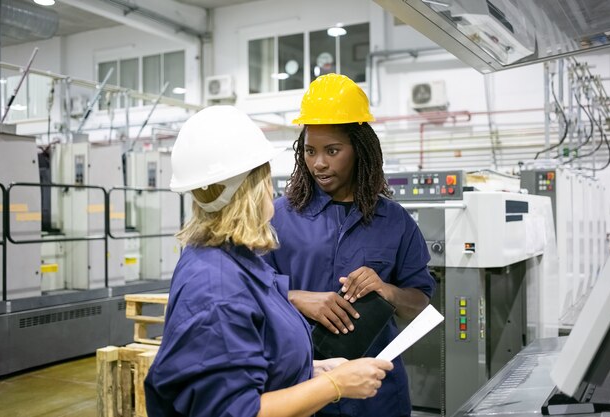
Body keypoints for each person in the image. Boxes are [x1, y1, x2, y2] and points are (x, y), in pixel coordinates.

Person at [144, 105, 394, 417]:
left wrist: (312, 370)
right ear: (254, 186)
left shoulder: (235, 260)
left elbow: (255, 362)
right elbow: (235, 410)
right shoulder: (216, 289)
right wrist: (334, 385)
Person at [263, 74, 436, 417]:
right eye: (310, 151)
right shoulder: (278, 217)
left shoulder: (394, 221)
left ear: (360, 151)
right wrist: (296, 298)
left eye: (332, 151)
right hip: (303, 387)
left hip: (377, 395)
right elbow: (247, 293)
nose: (319, 164)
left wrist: (388, 291)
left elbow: (419, 303)